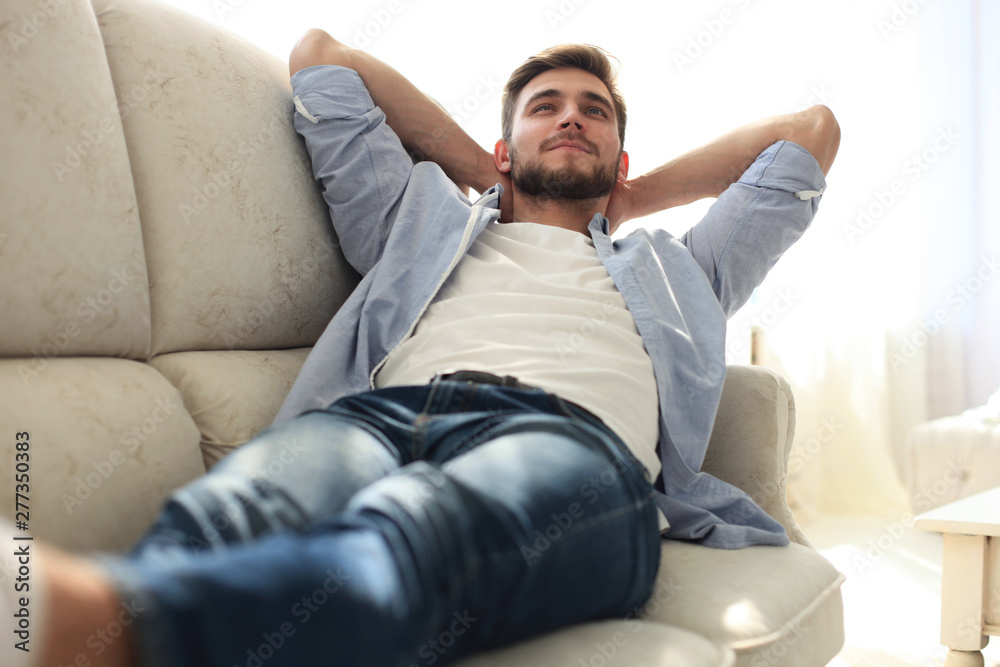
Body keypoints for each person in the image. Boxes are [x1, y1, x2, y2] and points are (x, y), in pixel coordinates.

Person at [4, 31, 839, 667]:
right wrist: (484, 167)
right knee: (230, 515)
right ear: (507, 147)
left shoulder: (682, 270)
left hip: (568, 441)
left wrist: (625, 194)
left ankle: (71, 620)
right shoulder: (417, 220)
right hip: (378, 420)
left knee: (416, 532)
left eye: (595, 111)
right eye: (546, 107)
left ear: (620, 152)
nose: (572, 117)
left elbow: (811, 132)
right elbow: (321, 59)